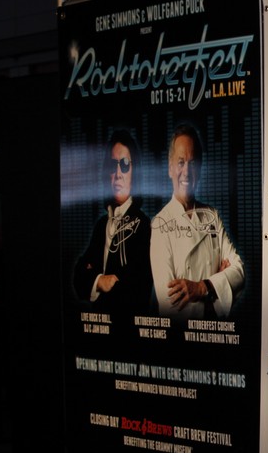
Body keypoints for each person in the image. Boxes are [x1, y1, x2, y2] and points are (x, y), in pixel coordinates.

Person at [150, 123, 244, 318]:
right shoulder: (160, 224)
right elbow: (168, 304)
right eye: (181, 162)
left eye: (192, 164)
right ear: (170, 169)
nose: (186, 172)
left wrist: (202, 287)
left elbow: (239, 271)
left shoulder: (212, 216)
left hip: (217, 332)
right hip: (180, 335)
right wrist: (217, 290)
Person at [72, 130, 153, 312]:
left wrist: (94, 277)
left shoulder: (143, 225)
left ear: (134, 173)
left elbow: (138, 288)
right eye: (112, 165)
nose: (117, 174)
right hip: (99, 325)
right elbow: (78, 277)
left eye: (124, 165)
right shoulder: (102, 225)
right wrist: (100, 281)